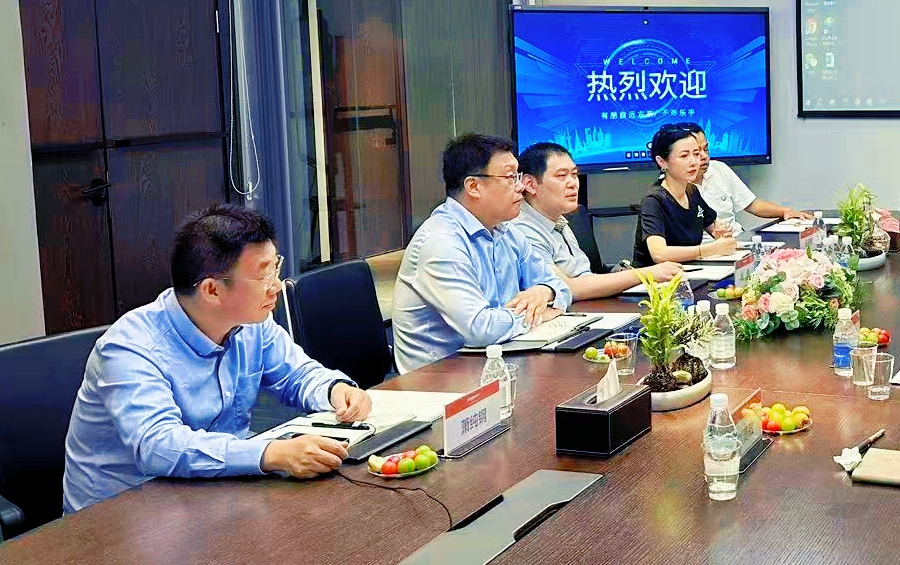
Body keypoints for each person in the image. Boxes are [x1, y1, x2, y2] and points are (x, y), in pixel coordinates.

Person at [63, 205, 373, 513]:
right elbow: (159, 446)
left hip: (214, 495)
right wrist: (271, 453)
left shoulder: (252, 323)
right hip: (119, 518)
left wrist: (334, 390)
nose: (277, 286)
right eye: (264, 275)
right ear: (212, 290)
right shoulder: (130, 348)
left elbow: (296, 374)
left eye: (275, 269)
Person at [392, 133, 571, 373]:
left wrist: (545, 291)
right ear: (474, 186)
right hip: (440, 379)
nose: (520, 186)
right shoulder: (441, 242)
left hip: (498, 362)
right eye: (510, 177)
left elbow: (562, 288)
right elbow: (480, 328)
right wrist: (541, 314)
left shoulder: (506, 230)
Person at [513, 141, 684, 300]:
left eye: (574, 174)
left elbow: (584, 274)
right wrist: (645, 274)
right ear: (530, 184)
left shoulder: (560, 220)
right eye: (561, 176)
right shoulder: (522, 231)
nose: (573, 183)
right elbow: (566, 288)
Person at [633, 124, 738, 266]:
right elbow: (659, 254)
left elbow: (715, 227)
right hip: (655, 277)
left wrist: (723, 234)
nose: (693, 162)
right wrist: (708, 249)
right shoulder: (654, 200)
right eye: (684, 156)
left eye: (696, 154)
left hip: (690, 271)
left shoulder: (692, 191)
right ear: (662, 162)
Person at [679, 122, 804, 237]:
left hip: (737, 240)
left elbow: (752, 204)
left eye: (706, 149)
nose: (704, 156)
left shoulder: (719, 168)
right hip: (706, 248)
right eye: (696, 152)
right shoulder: (674, 188)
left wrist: (785, 211)